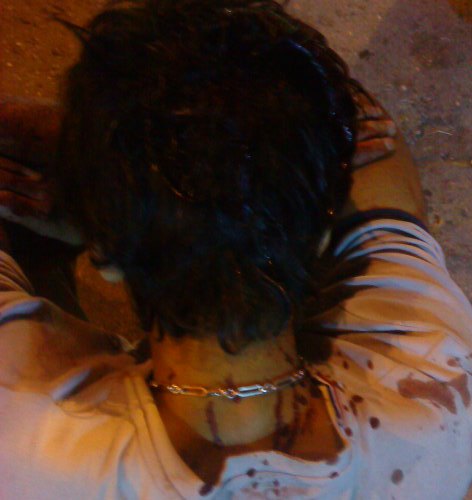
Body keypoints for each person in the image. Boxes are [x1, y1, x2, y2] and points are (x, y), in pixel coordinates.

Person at [0, 1, 471, 498]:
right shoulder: (439, 395)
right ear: (321, 234)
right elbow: (379, 155)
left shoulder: (18, 434)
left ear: (105, 256)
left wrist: (97, 179)